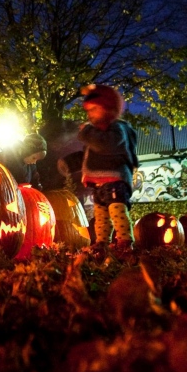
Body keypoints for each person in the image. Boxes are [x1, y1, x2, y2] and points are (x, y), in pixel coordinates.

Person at [78, 84, 139, 254]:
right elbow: (89, 155)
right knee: (100, 215)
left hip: (115, 180)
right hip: (99, 183)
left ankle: (125, 241)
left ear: (109, 109)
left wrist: (87, 132)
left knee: (116, 209)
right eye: (88, 110)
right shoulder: (97, 132)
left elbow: (105, 145)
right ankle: (101, 243)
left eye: (94, 109)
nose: (90, 114)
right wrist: (70, 163)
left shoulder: (117, 129)